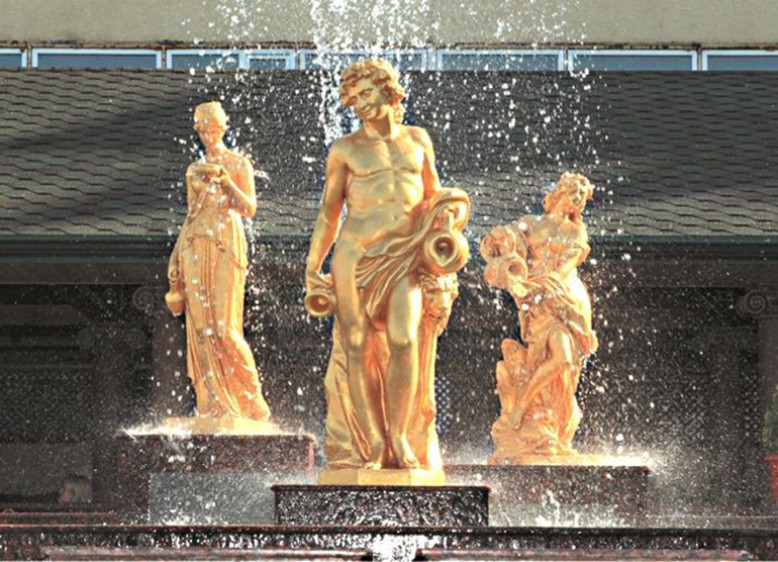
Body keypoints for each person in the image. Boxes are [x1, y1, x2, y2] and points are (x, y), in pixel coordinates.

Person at [305, 59, 469, 472]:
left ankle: (400, 435)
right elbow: (329, 214)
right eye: (353, 98)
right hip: (354, 255)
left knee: (403, 340)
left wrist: (448, 217)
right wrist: (312, 265)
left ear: (387, 89)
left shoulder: (418, 140)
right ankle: (374, 444)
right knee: (357, 345)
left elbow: (433, 196)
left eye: (366, 93)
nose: (359, 103)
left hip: (404, 255)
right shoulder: (345, 149)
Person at [481, 172, 599, 463]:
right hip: (537, 302)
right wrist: (498, 239)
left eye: (581, 197)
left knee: (566, 363)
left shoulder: (576, 233)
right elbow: (503, 240)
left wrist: (537, 286)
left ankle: (532, 416)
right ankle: (533, 422)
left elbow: (563, 269)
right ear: (560, 193)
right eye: (574, 192)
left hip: (565, 298)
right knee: (542, 359)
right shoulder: (530, 223)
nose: (577, 200)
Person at [166, 101, 271, 423]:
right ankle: (211, 404)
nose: (206, 134)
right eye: (201, 129)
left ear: (223, 127)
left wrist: (227, 182)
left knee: (225, 328)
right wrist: (175, 256)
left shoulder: (237, 163)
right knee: (201, 329)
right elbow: (190, 215)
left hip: (226, 243)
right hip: (195, 245)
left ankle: (252, 401)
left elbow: (249, 208)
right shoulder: (194, 169)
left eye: (211, 128)